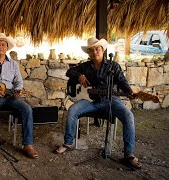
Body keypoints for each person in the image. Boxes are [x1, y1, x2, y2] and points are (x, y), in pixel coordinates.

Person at [55, 37, 142, 169]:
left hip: (110, 101)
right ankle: (68, 143)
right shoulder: (85, 66)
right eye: (92, 50)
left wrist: (129, 92)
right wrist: (79, 76)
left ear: (103, 50)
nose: (95, 52)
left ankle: (128, 154)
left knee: (128, 116)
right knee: (72, 111)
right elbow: (69, 71)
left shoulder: (113, 66)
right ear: (89, 53)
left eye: (98, 49)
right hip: (89, 102)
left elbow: (122, 82)